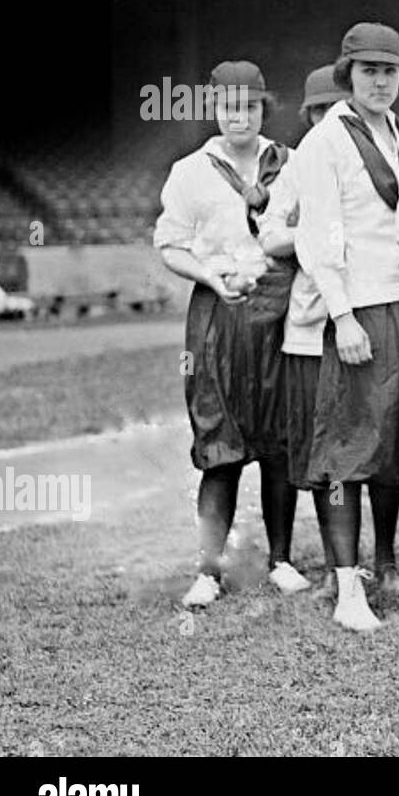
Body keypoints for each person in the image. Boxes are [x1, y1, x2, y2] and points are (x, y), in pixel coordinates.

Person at [154, 61, 310, 608]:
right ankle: (209, 570)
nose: (237, 115)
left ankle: (283, 559)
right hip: (218, 313)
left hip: (278, 310)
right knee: (218, 443)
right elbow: (170, 244)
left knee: (280, 441)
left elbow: (308, 228)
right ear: (213, 110)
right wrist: (211, 275)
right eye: (227, 106)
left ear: (262, 109)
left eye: (248, 106)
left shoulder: (291, 164)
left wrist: (277, 247)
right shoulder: (191, 170)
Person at [294, 23, 399, 632]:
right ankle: (348, 586)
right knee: (350, 447)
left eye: (390, 71)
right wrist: (342, 315)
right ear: (348, 74)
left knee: (397, 444)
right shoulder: (327, 140)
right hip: (360, 310)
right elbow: (317, 237)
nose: (380, 81)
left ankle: (389, 562)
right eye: (368, 70)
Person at [257, 64, 344, 598]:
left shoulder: (375, 154)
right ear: (309, 115)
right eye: (320, 109)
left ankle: (380, 556)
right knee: (316, 450)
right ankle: (336, 561)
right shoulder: (297, 167)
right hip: (311, 327)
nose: (330, 116)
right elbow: (269, 237)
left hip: (370, 316)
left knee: (373, 447)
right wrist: (313, 231)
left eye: (337, 105)